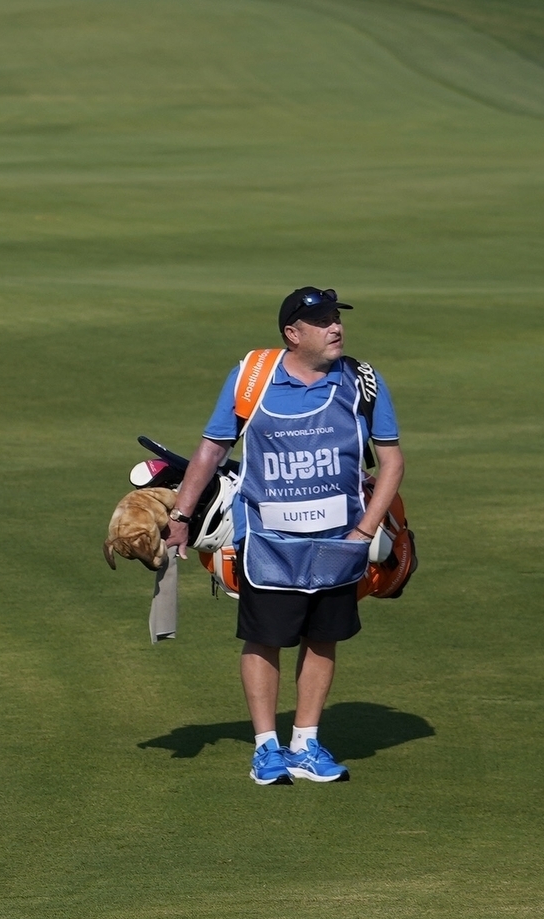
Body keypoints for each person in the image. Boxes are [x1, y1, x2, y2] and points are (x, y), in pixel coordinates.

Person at [161, 286, 404, 787]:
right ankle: (266, 749)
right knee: (266, 639)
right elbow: (210, 449)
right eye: (322, 321)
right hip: (269, 539)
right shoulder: (252, 378)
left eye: (337, 318)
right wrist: (181, 513)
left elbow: (392, 462)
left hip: (340, 540)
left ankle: (307, 743)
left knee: (322, 638)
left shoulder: (363, 381)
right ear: (293, 334)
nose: (336, 327)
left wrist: (363, 532)